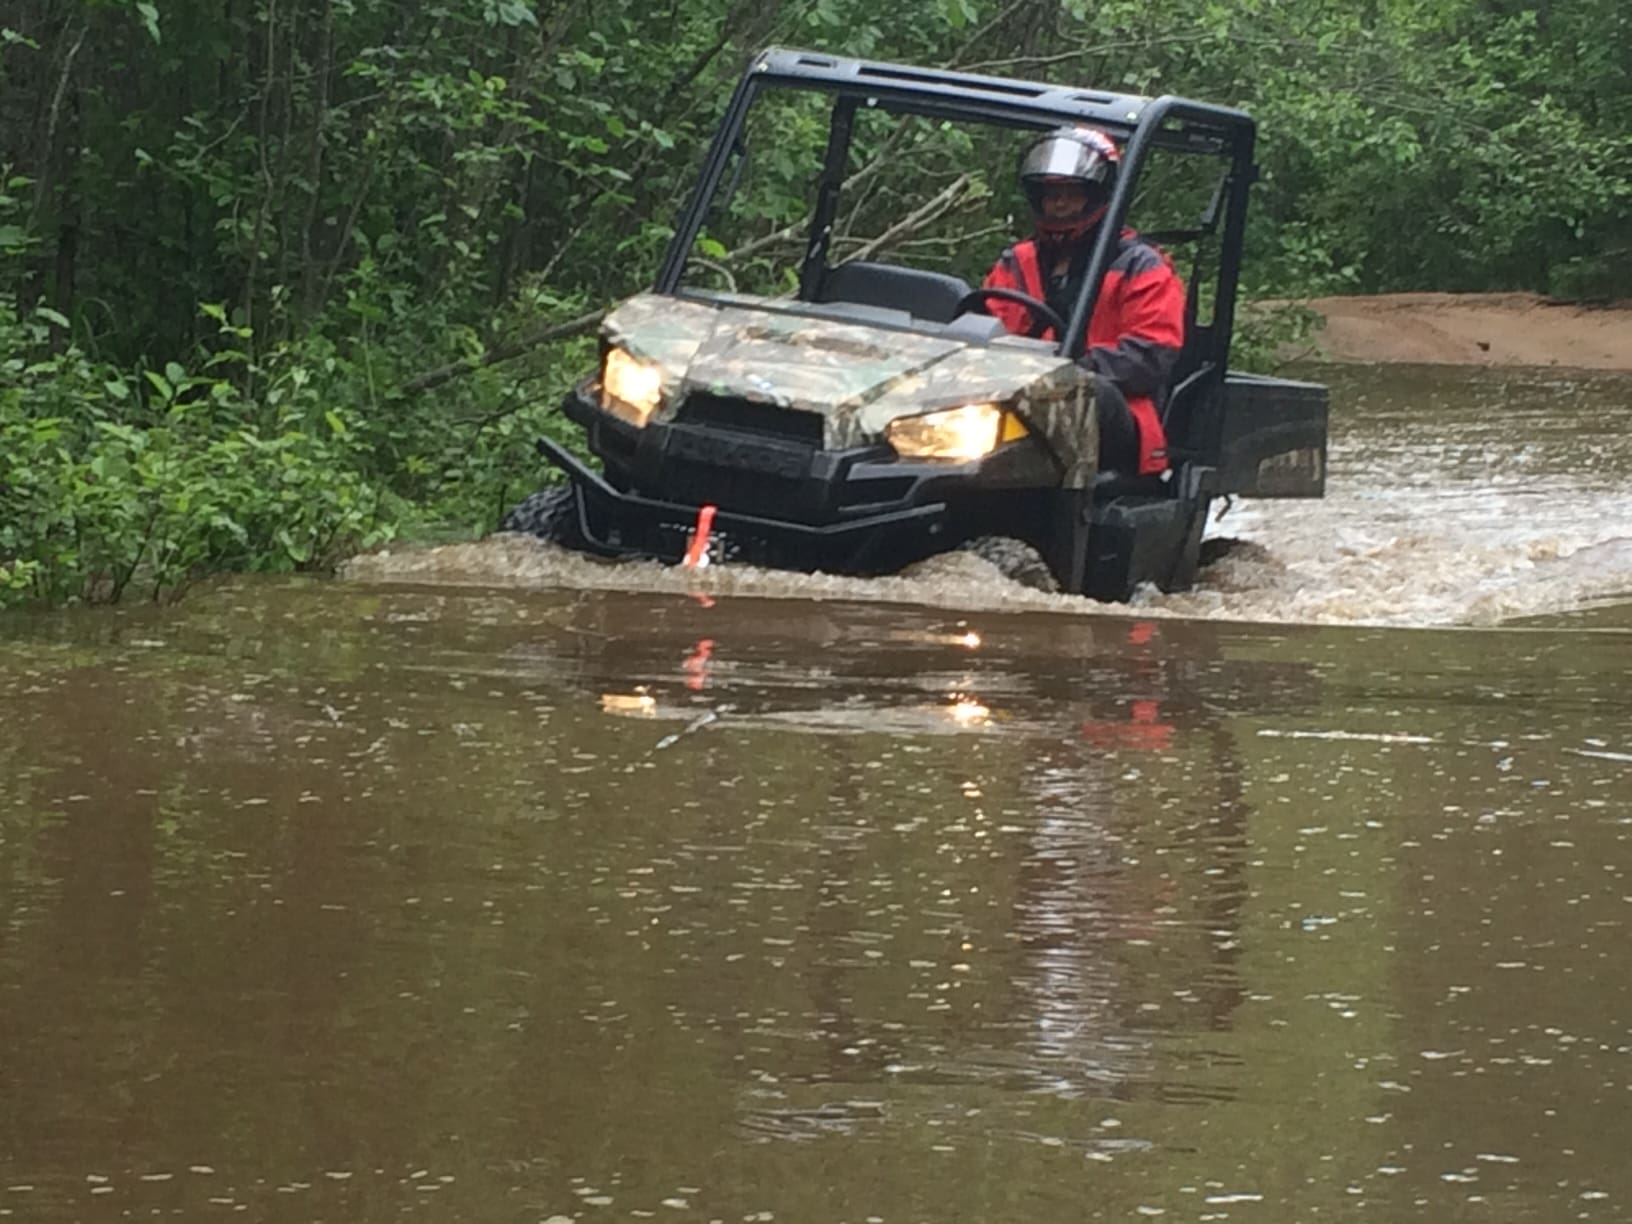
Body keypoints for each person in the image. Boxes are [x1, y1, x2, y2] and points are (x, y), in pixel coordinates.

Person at [982, 126, 1185, 476]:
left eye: (1071, 194)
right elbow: (989, 327)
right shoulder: (1017, 261)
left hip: (1116, 406)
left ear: (1095, 195)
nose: (1059, 204)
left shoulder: (1139, 265)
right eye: (1051, 194)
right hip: (1017, 395)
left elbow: (1150, 355)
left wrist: (1069, 371)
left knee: (1088, 393)